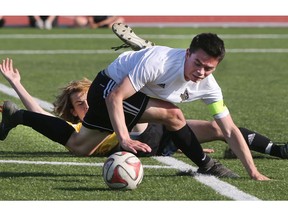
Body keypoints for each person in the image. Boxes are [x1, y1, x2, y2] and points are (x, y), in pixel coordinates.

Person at [0, 33, 270, 180]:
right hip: (107, 86)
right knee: (174, 116)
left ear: (216, 67)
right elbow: (115, 96)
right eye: (197, 63)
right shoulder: (160, 62)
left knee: (79, 146)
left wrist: (253, 171)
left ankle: (20, 116)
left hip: (133, 95)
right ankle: (207, 164)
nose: (201, 71)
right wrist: (126, 139)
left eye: (208, 68)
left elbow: (230, 130)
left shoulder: (210, 87)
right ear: (187, 53)